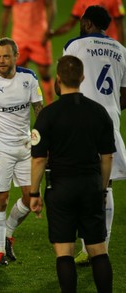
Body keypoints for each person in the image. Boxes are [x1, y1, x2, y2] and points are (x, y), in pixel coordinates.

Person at [30, 54, 115, 293]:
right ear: (82, 78)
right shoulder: (98, 112)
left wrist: (34, 192)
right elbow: (107, 157)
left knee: (64, 251)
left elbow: (38, 159)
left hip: (60, 188)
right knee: (98, 249)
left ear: (58, 79)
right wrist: (103, 187)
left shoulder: (48, 114)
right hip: (90, 186)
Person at [62, 5, 126, 265]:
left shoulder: (75, 46)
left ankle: (86, 248)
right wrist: (110, 109)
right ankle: (102, 246)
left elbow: (64, 82)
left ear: (87, 22)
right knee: (104, 183)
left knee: (80, 178)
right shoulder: (121, 50)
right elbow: (125, 93)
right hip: (109, 120)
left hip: (80, 118)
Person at [0, 37, 44, 266]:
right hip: (1, 150)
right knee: (1, 200)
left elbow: (39, 111)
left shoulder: (29, 78)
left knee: (30, 197)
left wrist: (42, 141)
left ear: (16, 56)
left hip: (25, 148)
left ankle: (7, 232)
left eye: (6, 56)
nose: (1, 61)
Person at [0, 0, 56, 105]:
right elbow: (6, 10)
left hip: (39, 35)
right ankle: (19, 106)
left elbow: (51, 5)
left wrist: (48, 30)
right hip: (19, 37)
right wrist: (2, 35)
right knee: (18, 73)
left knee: (44, 72)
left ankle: (50, 105)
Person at [49, 0, 125, 44]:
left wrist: (120, 47)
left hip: (109, 43)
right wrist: (54, 33)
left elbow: (120, 25)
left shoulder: (113, 0)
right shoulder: (81, 1)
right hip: (89, 45)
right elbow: (70, 24)